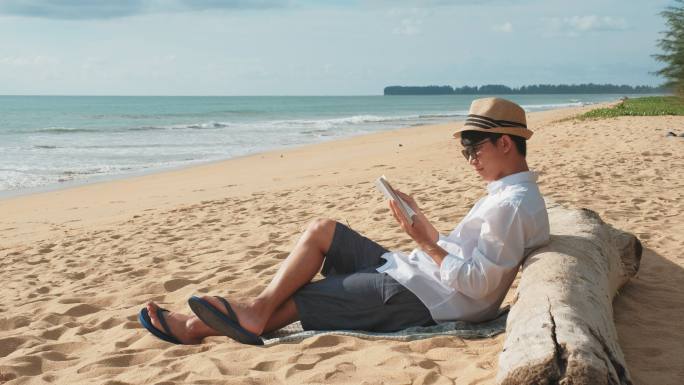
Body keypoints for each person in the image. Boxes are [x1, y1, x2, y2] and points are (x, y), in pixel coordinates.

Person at [138, 97, 551, 345]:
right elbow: (475, 259)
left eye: (475, 148)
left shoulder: (510, 205)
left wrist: (425, 241)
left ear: (504, 142)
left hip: (426, 298)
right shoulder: (507, 197)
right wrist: (426, 230)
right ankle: (256, 311)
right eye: (465, 152)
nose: (471, 159)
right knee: (323, 230)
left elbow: (478, 287)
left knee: (311, 296)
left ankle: (197, 328)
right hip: (417, 274)